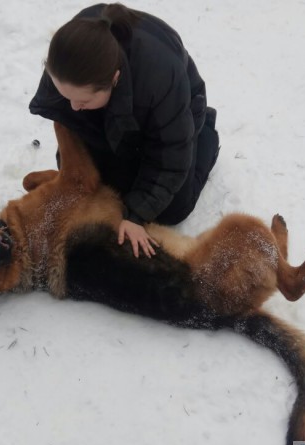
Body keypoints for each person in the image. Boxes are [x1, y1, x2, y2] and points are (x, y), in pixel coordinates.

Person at [29, 3, 220, 258]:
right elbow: (70, 121)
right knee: (104, 185)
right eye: (67, 97)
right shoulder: (67, 59)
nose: (73, 107)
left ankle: (205, 133)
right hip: (116, 113)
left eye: (82, 101)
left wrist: (136, 216)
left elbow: (170, 158)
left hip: (176, 120)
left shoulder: (160, 78)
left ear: (114, 80)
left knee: (171, 210)